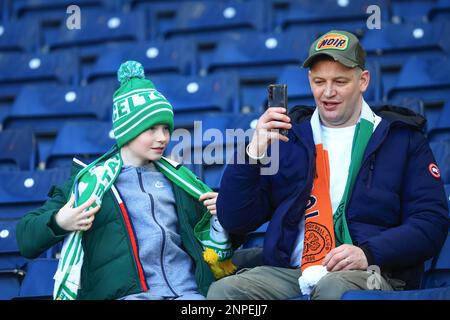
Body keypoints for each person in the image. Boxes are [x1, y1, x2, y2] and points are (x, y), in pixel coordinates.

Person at [207, 30, 450, 300]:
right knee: (224, 292)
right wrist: (251, 154)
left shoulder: (402, 138)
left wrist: (368, 252)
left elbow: (431, 222)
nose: (328, 92)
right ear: (310, 80)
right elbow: (235, 219)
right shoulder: (289, 138)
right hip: (296, 271)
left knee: (332, 288)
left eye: (340, 81)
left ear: (363, 81)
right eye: (319, 81)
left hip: (373, 270)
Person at [16, 60, 237, 300]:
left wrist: (224, 214)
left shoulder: (182, 180)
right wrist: (60, 221)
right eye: (151, 129)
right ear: (128, 130)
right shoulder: (88, 184)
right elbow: (26, 239)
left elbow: (223, 242)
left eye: (165, 128)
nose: (162, 137)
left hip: (187, 293)